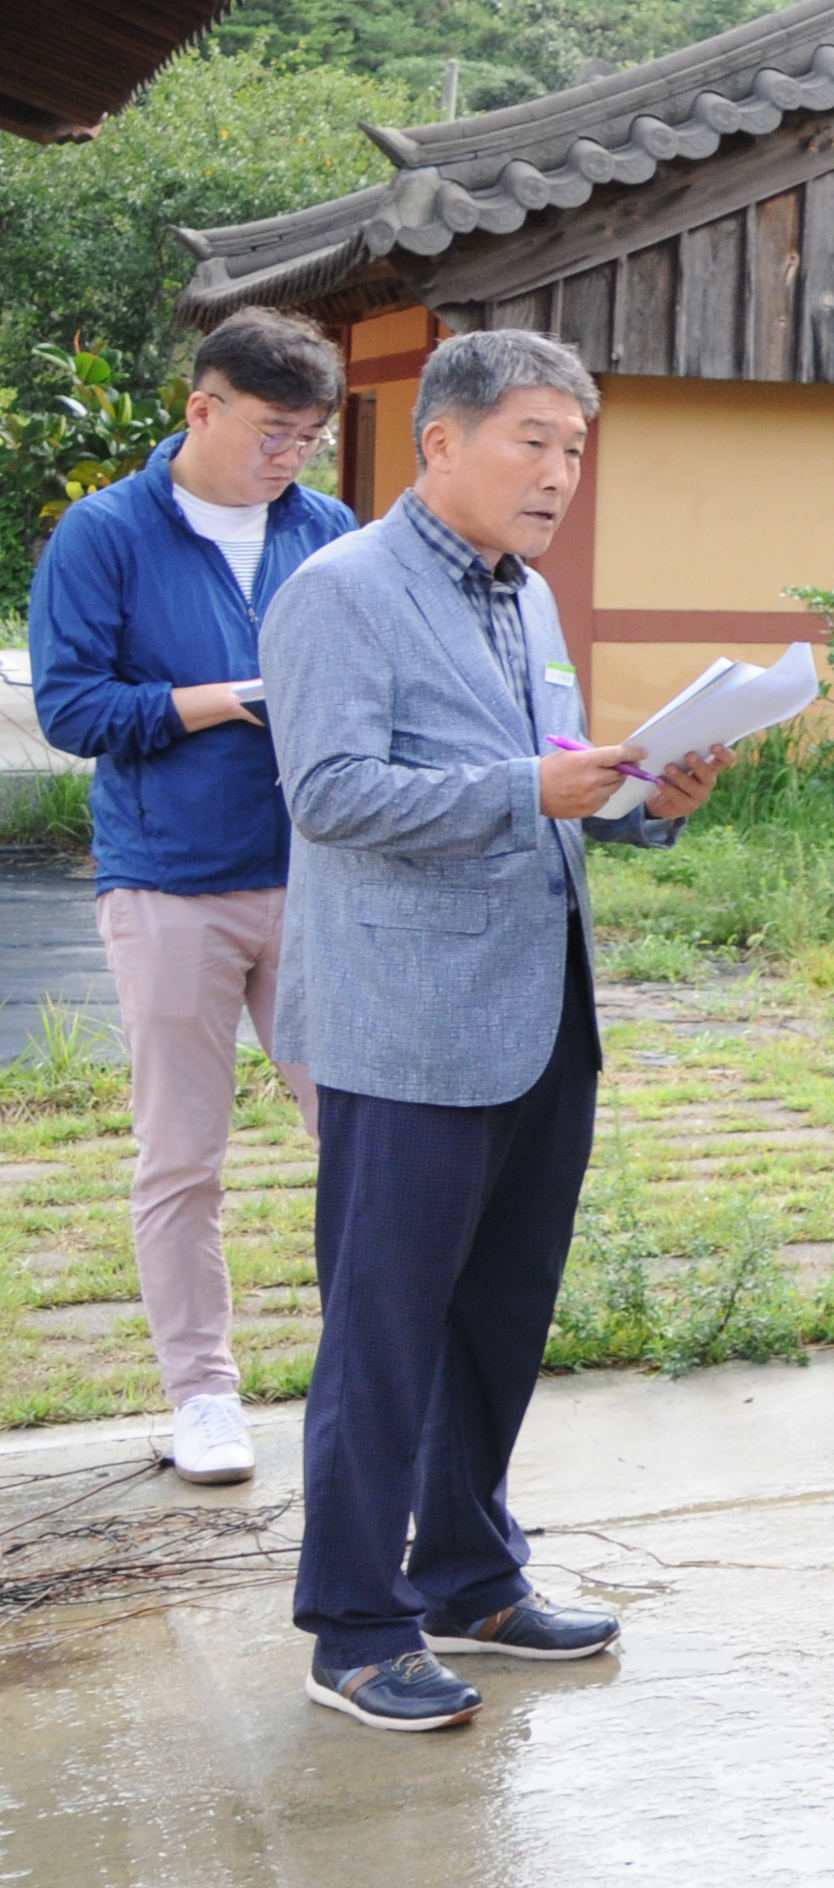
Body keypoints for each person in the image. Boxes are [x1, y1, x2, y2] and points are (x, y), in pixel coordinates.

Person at [264, 329, 728, 1732]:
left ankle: (470, 1577)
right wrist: (529, 786)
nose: (559, 473)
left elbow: (549, 780)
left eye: (575, 449)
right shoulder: (343, 590)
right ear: (442, 441)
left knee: (498, 1319)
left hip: (539, 1014)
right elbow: (330, 792)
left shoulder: (521, 595)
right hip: (407, 1024)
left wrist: (642, 796)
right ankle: (355, 1628)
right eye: (534, 440)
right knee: (385, 1335)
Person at [24, 307, 357, 1489]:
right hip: (170, 881)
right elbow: (71, 709)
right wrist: (223, 699)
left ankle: (372, 1371)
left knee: (362, 1133)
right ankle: (202, 1393)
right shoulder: (105, 532)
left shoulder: (326, 529)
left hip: (320, 873)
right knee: (182, 1153)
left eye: (310, 437)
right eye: (273, 432)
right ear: (201, 408)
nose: (292, 456)